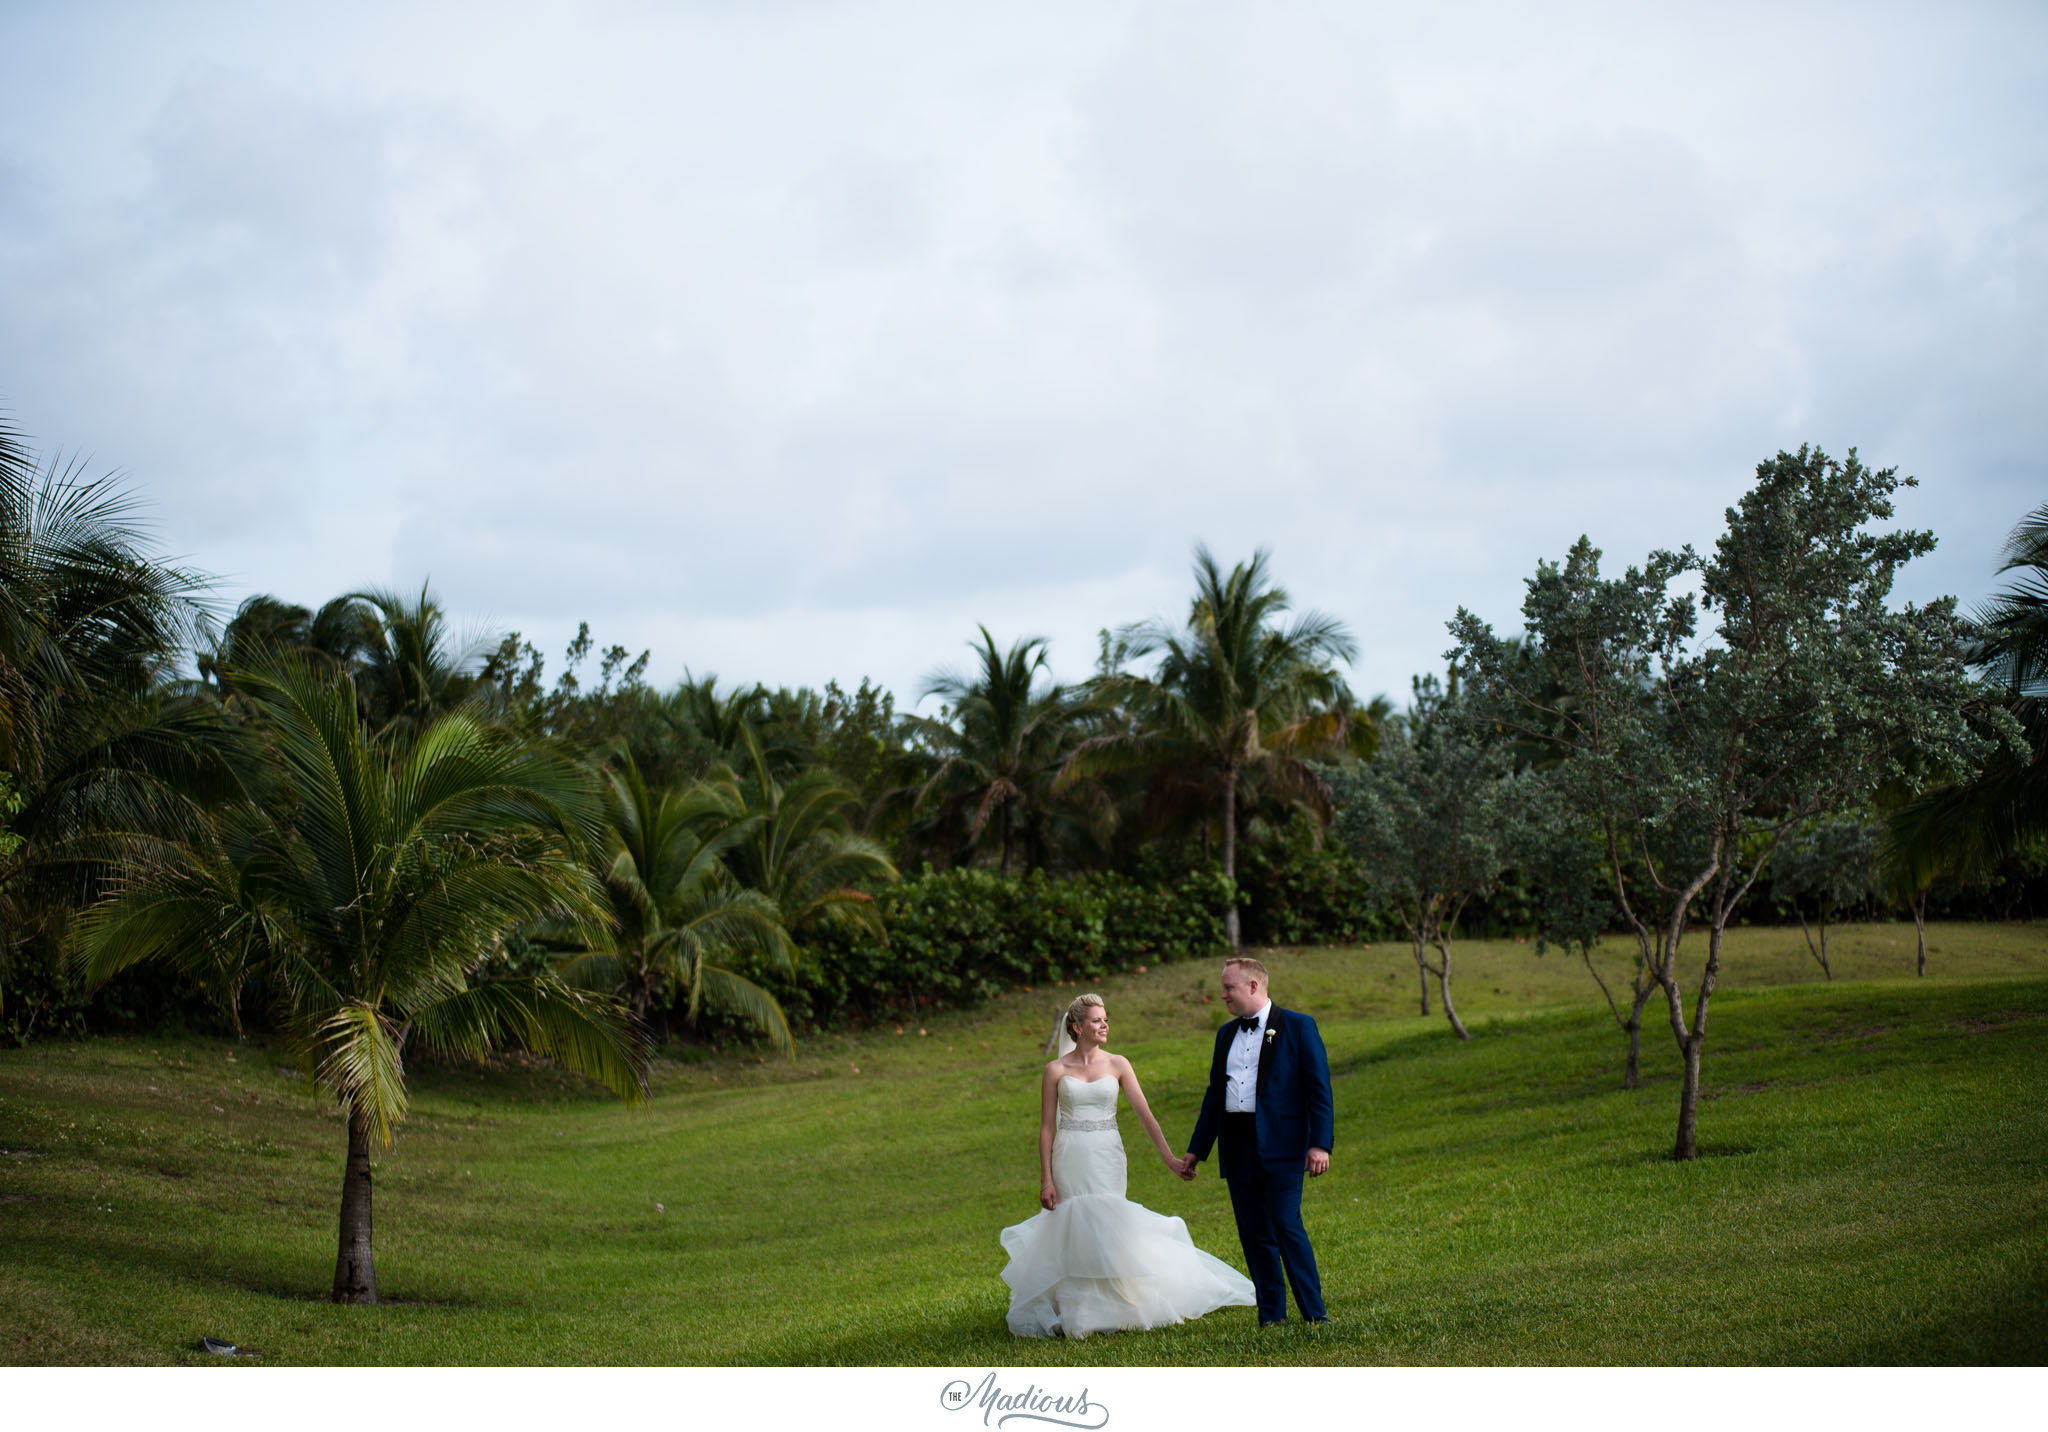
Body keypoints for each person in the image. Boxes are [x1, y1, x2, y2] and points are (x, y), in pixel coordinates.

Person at [998, 992, 1256, 1338]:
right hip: (1071, 1153)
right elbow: (1047, 1127)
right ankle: (1080, 1308)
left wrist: (1169, 1158)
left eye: (1105, 1018)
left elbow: (1145, 1115)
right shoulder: (1055, 1070)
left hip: (1107, 1153)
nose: (1104, 1024)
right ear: (1077, 1027)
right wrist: (1046, 1179)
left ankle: (1121, 1302)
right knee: (1074, 1222)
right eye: (1096, 1019)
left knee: (1109, 1220)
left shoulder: (1118, 1064)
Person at [1181, 956, 1334, 1326]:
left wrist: (1320, 1144)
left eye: (1228, 988)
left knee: (1285, 1224)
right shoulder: (1225, 1034)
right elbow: (1214, 1095)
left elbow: (1319, 1090)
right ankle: (1271, 1316)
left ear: (1253, 986)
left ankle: (1315, 1313)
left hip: (1283, 1144)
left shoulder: (1298, 1026)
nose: (1223, 995)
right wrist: (1196, 1150)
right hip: (1237, 1144)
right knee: (1253, 1232)